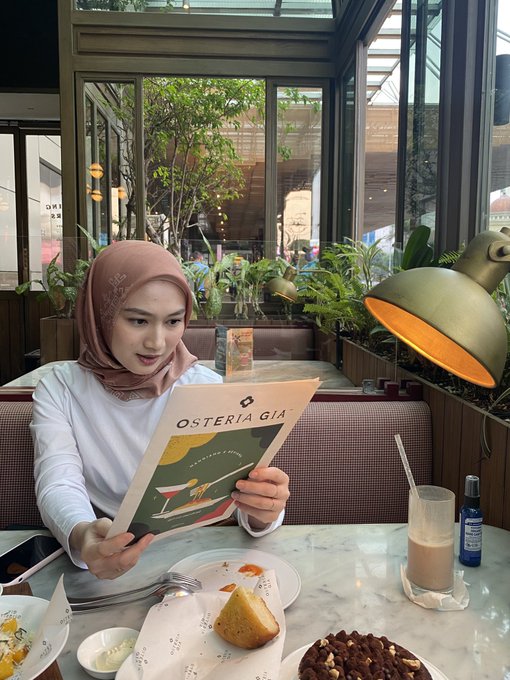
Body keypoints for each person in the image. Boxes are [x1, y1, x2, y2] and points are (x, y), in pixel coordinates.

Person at [31, 240, 290, 580]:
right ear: (100, 315)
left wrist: (262, 509)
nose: (156, 342)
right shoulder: (61, 389)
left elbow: (234, 491)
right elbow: (58, 482)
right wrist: (83, 536)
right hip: (112, 558)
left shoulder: (205, 388)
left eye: (173, 321)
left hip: (204, 562)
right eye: (138, 320)